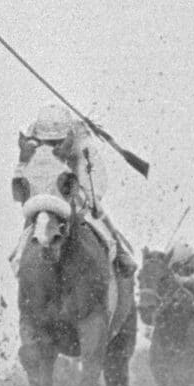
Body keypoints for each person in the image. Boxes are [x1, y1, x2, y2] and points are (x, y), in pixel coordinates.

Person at [18, 104, 134, 269]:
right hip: (48, 190)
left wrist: (83, 196)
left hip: (79, 182)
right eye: (48, 141)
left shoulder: (83, 144)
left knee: (95, 210)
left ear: (67, 136)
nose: (53, 145)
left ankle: (119, 251)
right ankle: (19, 257)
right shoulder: (33, 140)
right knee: (34, 216)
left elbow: (95, 179)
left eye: (57, 141)